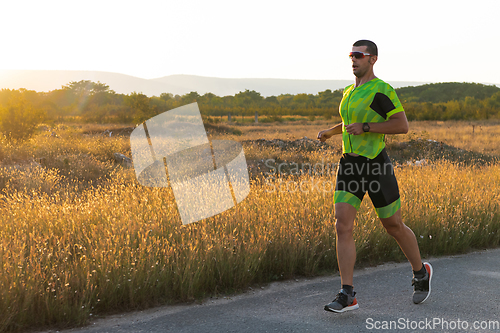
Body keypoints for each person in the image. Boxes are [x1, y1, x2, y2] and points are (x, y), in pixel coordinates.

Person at [317, 40, 432, 313]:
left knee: (393, 226)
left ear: (373, 59)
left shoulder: (382, 90)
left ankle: (421, 272)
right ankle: (348, 294)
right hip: (349, 165)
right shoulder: (348, 91)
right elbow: (349, 122)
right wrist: (332, 132)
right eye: (351, 55)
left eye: (359, 55)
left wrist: (367, 127)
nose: (353, 60)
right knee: (342, 225)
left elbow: (401, 125)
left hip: (375, 166)